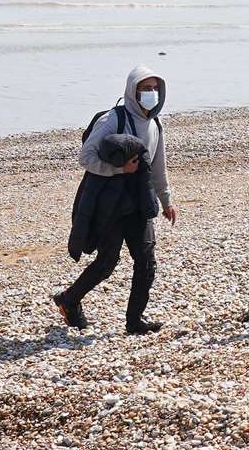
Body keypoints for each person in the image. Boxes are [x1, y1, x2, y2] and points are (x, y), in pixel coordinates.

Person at [54, 66, 175, 334]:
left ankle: (135, 321)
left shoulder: (155, 124)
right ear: (133, 91)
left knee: (146, 260)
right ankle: (69, 299)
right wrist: (120, 170)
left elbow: (158, 166)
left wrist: (166, 200)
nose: (151, 94)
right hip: (111, 203)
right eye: (145, 89)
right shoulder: (112, 119)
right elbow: (86, 158)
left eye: (155, 89)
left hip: (140, 201)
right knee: (107, 262)